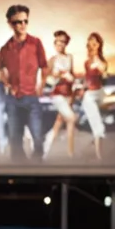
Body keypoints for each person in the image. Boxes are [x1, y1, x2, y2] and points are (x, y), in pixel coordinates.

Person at [0, 4, 48, 161]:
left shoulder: (36, 43)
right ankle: (20, 171)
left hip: (32, 97)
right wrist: (7, 84)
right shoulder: (5, 49)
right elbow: (0, 70)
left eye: (25, 21)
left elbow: (44, 66)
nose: (23, 25)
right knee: (15, 140)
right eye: (17, 22)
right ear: (10, 24)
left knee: (38, 137)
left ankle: (37, 166)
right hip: (13, 100)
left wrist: (42, 84)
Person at [43, 30, 76, 159]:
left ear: (66, 43)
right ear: (54, 43)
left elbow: (72, 75)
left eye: (63, 41)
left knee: (58, 123)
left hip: (68, 94)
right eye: (58, 41)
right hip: (57, 94)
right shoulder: (52, 60)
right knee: (72, 119)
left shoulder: (69, 57)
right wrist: (55, 76)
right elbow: (46, 79)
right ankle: (71, 153)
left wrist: (72, 95)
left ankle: (44, 148)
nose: (60, 44)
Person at [82, 32, 108, 160]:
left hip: (100, 94)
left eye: (95, 43)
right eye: (90, 44)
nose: (92, 46)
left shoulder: (101, 61)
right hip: (90, 97)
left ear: (99, 45)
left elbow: (103, 72)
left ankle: (95, 141)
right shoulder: (87, 63)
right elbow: (87, 81)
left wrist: (97, 58)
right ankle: (100, 159)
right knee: (99, 127)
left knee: (99, 122)